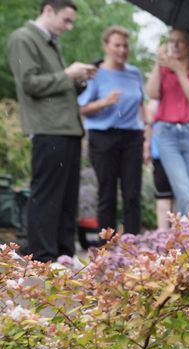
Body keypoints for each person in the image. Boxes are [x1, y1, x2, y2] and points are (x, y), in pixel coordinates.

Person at [6, 0, 97, 262]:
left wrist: (77, 80)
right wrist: (68, 74)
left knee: (68, 196)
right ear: (48, 10)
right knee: (47, 195)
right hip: (47, 129)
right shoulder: (23, 38)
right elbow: (29, 84)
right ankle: (43, 256)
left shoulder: (50, 41)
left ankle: (63, 254)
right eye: (66, 20)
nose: (69, 27)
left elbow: (53, 89)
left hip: (67, 128)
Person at [76, 25, 145, 237]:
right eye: (117, 45)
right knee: (107, 194)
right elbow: (82, 108)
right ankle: (107, 248)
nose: (122, 50)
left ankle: (134, 245)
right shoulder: (95, 74)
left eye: (125, 46)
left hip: (132, 137)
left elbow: (142, 104)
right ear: (106, 46)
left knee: (132, 193)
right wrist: (105, 102)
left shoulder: (135, 73)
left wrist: (148, 134)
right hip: (103, 137)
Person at [145, 28, 189, 214]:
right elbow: (152, 93)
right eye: (172, 41)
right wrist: (158, 64)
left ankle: (185, 234)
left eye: (180, 41)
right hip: (167, 134)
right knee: (181, 184)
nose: (175, 45)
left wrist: (181, 72)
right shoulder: (164, 72)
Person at [143, 98, 174, 232]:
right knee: (163, 196)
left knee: (180, 196)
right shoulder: (156, 101)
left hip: (183, 154)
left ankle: (180, 236)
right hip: (161, 154)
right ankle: (163, 235)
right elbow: (149, 122)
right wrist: (147, 146)